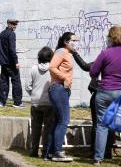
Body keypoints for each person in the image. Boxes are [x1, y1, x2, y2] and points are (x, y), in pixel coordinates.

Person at [90, 25, 121, 166]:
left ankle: (98, 158)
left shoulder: (105, 53)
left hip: (104, 92)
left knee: (102, 125)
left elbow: (93, 73)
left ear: (111, 37)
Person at [72, 52, 115, 159]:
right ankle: (108, 152)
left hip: (98, 94)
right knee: (110, 124)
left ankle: (96, 152)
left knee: (97, 124)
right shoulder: (118, 64)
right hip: (113, 94)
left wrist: (74, 53)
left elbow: (84, 66)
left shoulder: (98, 62)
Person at [48, 32, 78, 162]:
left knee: (57, 121)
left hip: (62, 89)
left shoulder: (67, 53)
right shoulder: (61, 51)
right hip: (59, 89)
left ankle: (50, 152)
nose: (75, 43)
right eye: (73, 40)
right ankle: (58, 152)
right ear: (66, 41)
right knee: (64, 121)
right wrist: (65, 77)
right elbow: (52, 67)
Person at [25, 46, 54, 160]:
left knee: (36, 128)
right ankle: (46, 153)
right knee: (48, 129)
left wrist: (33, 94)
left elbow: (28, 86)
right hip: (49, 102)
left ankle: (33, 151)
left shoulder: (33, 68)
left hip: (35, 102)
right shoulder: (53, 69)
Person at [0, 19, 23, 108]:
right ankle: (17, 102)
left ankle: (2, 102)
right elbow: (12, 50)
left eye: (16, 24)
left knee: (4, 81)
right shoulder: (11, 34)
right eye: (13, 24)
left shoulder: (1, 34)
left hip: (3, 62)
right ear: (8, 24)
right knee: (16, 81)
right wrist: (16, 62)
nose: (15, 26)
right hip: (11, 62)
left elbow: (0, 48)